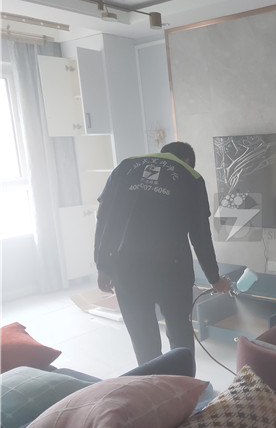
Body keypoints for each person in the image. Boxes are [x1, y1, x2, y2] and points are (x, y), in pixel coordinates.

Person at [94, 141, 231, 375]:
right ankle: (184, 387)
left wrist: (102, 265)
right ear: (187, 160)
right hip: (171, 271)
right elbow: (200, 235)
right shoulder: (191, 177)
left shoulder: (124, 168)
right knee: (180, 336)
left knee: (142, 337)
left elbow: (104, 219)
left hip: (126, 268)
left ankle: (152, 389)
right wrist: (214, 278)